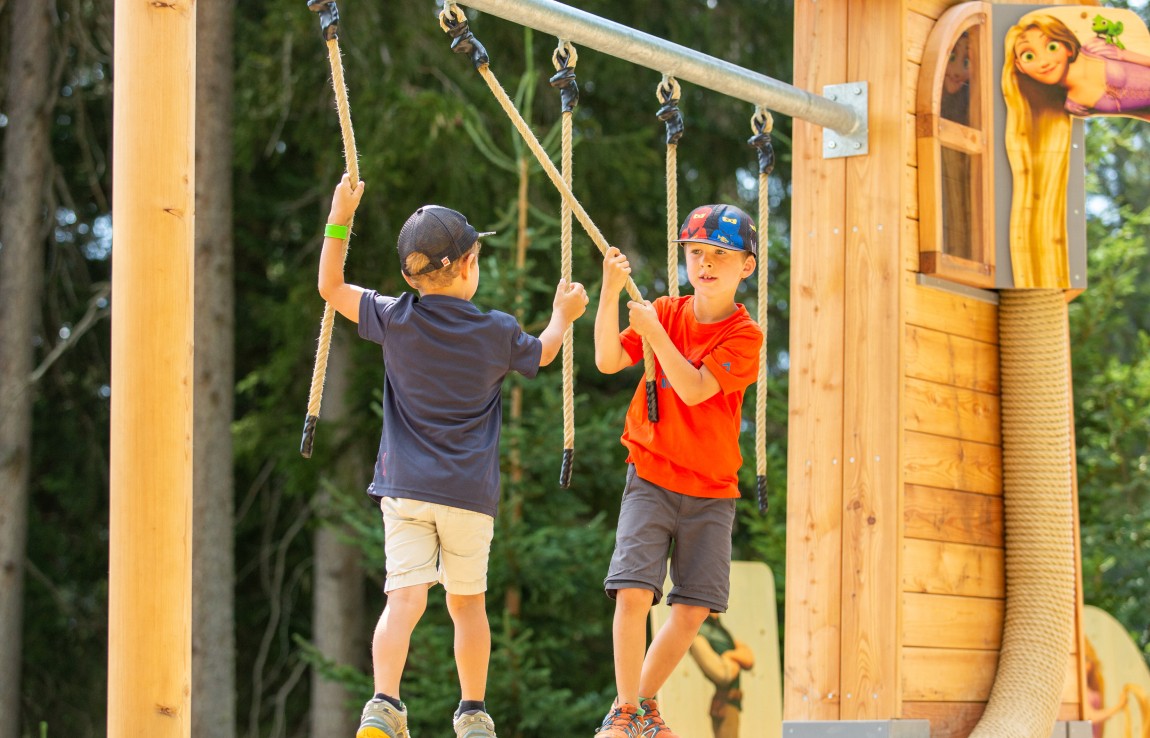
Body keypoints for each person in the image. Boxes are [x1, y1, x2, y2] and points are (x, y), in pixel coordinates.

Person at [318, 173, 589, 738]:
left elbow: (330, 286)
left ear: (408, 276)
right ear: (468, 265)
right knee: (467, 606)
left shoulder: (394, 318)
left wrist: (340, 215)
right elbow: (542, 355)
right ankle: (472, 714)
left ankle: (383, 704)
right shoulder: (495, 331)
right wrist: (564, 314)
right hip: (468, 496)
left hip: (405, 491)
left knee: (404, 599)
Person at [591, 203, 764, 738]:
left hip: (712, 491)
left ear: (746, 267)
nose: (707, 264)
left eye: (721, 255)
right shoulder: (662, 311)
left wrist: (653, 333)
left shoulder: (746, 337)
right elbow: (605, 360)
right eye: (697, 253)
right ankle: (628, 710)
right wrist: (610, 291)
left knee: (692, 610)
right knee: (633, 593)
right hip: (651, 475)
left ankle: (640, 705)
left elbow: (692, 389)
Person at [1002, 12, 1150, 287]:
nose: (1045, 60)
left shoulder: (1096, 52)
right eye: (1030, 56)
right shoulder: (1071, 105)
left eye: (1051, 46)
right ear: (1021, 68)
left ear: (1067, 45)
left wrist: (1123, 55)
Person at [688, 614, 754, 738]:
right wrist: (733, 661)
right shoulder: (700, 634)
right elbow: (723, 674)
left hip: (731, 702)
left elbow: (748, 658)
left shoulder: (721, 632)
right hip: (724, 703)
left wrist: (729, 656)